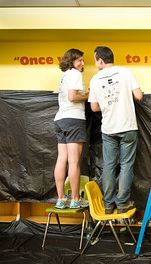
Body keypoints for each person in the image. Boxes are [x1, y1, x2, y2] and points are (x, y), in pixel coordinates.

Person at [89, 46, 143, 214]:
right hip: (127, 126)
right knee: (126, 165)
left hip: (109, 128)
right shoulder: (126, 72)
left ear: (100, 61)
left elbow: (94, 107)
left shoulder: (95, 79)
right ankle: (122, 204)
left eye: (95, 59)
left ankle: (107, 205)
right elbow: (139, 96)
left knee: (109, 166)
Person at [54, 48, 89, 209]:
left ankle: (61, 199)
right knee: (74, 161)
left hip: (60, 119)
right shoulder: (75, 74)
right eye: (79, 60)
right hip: (74, 119)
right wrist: (88, 96)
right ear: (72, 61)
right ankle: (75, 199)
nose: (82, 63)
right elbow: (72, 97)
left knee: (62, 160)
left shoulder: (65, 75)